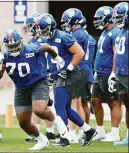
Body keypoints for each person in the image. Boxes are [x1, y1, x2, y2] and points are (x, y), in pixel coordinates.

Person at [0, 29, 68, 151]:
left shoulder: (32, 48)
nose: (13, 48)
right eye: (10, 46)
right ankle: (42, 140)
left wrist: (57, 57)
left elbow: (47, 47)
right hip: (21, 88)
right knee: (23, 123)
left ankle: (58, 122)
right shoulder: (4, 56)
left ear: (20, 42)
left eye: (15, 45)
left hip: (38, 82)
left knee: (39, 110)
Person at [38, 13, 97, 147]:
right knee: (65, 107)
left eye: (45, 30)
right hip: (59, 74)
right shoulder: (47, 38)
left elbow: (80, 52)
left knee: (59, 107)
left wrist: (69, 68)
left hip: (69, 74)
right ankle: (88, 130)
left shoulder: (63, 36)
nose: (44, 33)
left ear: (52, 27)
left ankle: (65, 138)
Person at [23, 13, 56, 142]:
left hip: (46, 74)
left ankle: (50, 132)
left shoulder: (45, 39)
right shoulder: (32, 41)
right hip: (36, 75)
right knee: (36, 104)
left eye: (31, 26)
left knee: (45, 105)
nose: (29, 28)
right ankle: (35, 130)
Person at [92, 6, 122, 142]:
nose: (97, 21)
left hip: (108, 72)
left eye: (100, 18)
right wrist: (96, 71)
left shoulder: (115, 32)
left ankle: (115, 133)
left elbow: (116, 54)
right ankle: (101, 131)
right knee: (95, 101)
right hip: (99, 72)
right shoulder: (105, 32)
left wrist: (113, 72)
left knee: (113, 102)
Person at [60, 8, 89, 143]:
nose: (65, 24)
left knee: (73, 102)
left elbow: (72, 52)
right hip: (81, 69)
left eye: (67, 21)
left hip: (78, 69)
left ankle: (75, 132)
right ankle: (81, 131)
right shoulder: (81, 33)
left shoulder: (77, 34)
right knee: (77, 102)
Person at [110, 2, 128, 146]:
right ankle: (128, 135)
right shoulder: (120, 32)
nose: (118, 20)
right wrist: (113, 72)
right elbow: (116, 54)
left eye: (120, 17)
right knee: (127, 105)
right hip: (121, 74)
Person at [78, 16, 97, 141]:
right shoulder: (88, 37)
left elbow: (85, 58)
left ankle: (85, 129)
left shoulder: (84, 37)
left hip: (84, 72)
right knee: (81, 102)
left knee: (83, 102)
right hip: (86, 72)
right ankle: (83, 128)